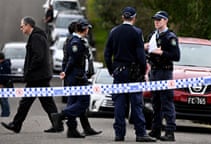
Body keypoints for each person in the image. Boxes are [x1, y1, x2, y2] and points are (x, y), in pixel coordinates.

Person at [1, 16, 63, 133]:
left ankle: (16, 124)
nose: (21, 28)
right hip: (41, 76)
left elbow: (38, 57)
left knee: (26, 102)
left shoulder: (36, 37)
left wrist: (29, 71)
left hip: (37, 77)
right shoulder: (38, 36)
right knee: (47, 102)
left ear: (29, 26)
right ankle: (58, 125)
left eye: (22, 26)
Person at [104, 6, 156, 142]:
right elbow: (140, 55)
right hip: (134, 73)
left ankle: (119, 134)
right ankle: (140, 133)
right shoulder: (136, 32)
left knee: (120, 103)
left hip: (119, 71)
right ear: (134, 17)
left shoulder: (114, 32)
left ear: (123, 17)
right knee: (136, 103)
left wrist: (111, 69)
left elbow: (107, 53)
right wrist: (144, 69)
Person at [51, 19, 99, 138]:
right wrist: (65, 72)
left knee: (73, 102)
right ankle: (61, 115)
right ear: (84, 29)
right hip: (77, 76)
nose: (88, 30)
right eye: (87, 28)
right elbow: (73, 59)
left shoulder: (78, 40)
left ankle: (72, 130)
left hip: (76, 75)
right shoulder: (76, 42)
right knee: (84, 102)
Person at [144, 11, 180, 141]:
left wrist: (162, 53)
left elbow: (176, 56)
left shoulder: (170, 37)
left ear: (165, 21)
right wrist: (145, 49)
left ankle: (170, 132)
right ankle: (156, 130)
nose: (156, 22)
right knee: (156, 103)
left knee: (166, 102)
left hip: (165, 72)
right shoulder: (152, 36)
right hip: (154, 71)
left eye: (159, 20)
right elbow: (149, 54)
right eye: (155, 19)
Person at [0, 52, 12, 117]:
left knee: (4, 100)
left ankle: (6, 113)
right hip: (3, 84)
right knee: (2, 100)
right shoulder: (4, 64)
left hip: (3, 85)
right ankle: (4, 113)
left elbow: (4, 76)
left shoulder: (4, 65)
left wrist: (2, 84)